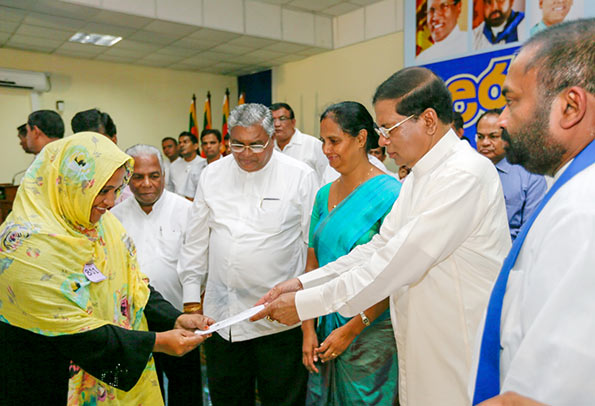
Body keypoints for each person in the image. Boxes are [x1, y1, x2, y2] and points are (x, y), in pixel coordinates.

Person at [252, 67, 511, 405]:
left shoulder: (464, 175)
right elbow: (378, 247)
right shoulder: (420, 177)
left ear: (429, 120)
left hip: (460, 345)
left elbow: (394, 264)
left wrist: (304, 305)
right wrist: (304, 284)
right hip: (422, 340)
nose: (383, 141)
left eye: (389, 129)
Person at [0, 132, 213, 405]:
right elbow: (73, 331)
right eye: (101, 190)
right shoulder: (24, 245)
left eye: (115, 190)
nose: (111, 202)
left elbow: (134, 287)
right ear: (68, 184)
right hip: (43, 379)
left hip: (106, 371)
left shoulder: (102, 226)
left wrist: (174, 318)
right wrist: (155, 342)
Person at [471, 18, 595, 405]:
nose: (503, 120)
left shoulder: (583, 209)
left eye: (512, 101)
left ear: (570, 106)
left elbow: (549, 393)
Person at [178, 103, 318, 406]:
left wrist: (306, 315)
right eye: (237, 144)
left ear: (272, 137)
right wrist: (191, 302)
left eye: (256, 144)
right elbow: (196, 242)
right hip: (222, 317)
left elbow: (312, 249)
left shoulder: (299, 176)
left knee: (282, 400)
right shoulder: (212, 175)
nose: (246, 153)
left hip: (278, 321)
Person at [303, 101, 400, 405]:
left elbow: (394, 274)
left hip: (369, 330)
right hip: (324, 326)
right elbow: (313, 265)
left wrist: (352, 328)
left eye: (334, 140)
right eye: (323, 141)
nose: (326, 149)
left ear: (360, 138)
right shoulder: (323, 195)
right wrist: (307, 329)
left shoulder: (391, 194)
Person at [111, 144, 203, 406]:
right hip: (133, 325)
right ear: (127, 178)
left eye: (154, 175)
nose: (146, 184)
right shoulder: (113, 218)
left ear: (164, 174)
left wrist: (192, 310)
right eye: (137, 177)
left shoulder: (186, 210)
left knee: (186, 390)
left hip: (179, 319)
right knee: (142, 391)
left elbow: (197, 266)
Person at [475, 109, 547, 240]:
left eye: (493, 136)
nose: (485, 143)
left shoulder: (530, 176)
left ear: (507, 136)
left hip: (512, 255)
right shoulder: (468, 172)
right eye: (480, 137)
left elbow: (530, 232)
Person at [270, 102, 328, 182]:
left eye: (282, 119)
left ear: (293, 122)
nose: (276, 124)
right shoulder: (268, 147)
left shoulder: (312, 144)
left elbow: (327, 175)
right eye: (272, 120)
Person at [183, 129, 222, 200]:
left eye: (212, 143)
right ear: (201, 146)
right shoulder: (195, 169)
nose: (208, 146)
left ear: (220, 145)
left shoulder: (230, 166)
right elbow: (189, 198)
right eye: (205, 143)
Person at [167, 131, 206, 195]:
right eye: (180, 143)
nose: (181, 145)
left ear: (195, 146)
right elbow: (170, 189)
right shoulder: (174, 165)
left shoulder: (204, 164)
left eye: (185, 142)